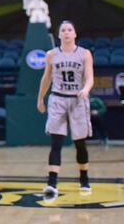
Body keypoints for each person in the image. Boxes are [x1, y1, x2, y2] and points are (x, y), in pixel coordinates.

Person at [37, 20, 94, 198]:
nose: (67, 32)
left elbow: (90, 77)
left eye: (70, 29)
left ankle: (84, 179)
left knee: (80, 143)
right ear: (59, 35)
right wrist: (40, 98)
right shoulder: (51, 55)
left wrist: (85, 89)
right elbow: (46, 78)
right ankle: (52, 183)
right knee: (56, 142)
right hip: (58, 99)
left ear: (75, 34)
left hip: (78, 99)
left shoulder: (84, 54)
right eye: (64, 30)